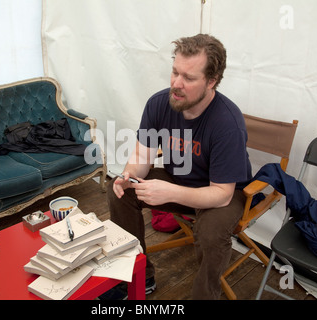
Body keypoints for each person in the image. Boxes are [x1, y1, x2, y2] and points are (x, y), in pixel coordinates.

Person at [106, 34, 251, 300]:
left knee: (210, 231)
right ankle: (139, 276)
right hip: (179, 180)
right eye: (175, 72)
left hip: (219, 194)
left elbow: (222, 194)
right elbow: (141, 156)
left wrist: (170, 193)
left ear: (211, 81)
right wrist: (130, 175)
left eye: (189, 78)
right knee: (118, 189)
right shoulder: (159, 103)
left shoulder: (227, 123)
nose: (176, 84)